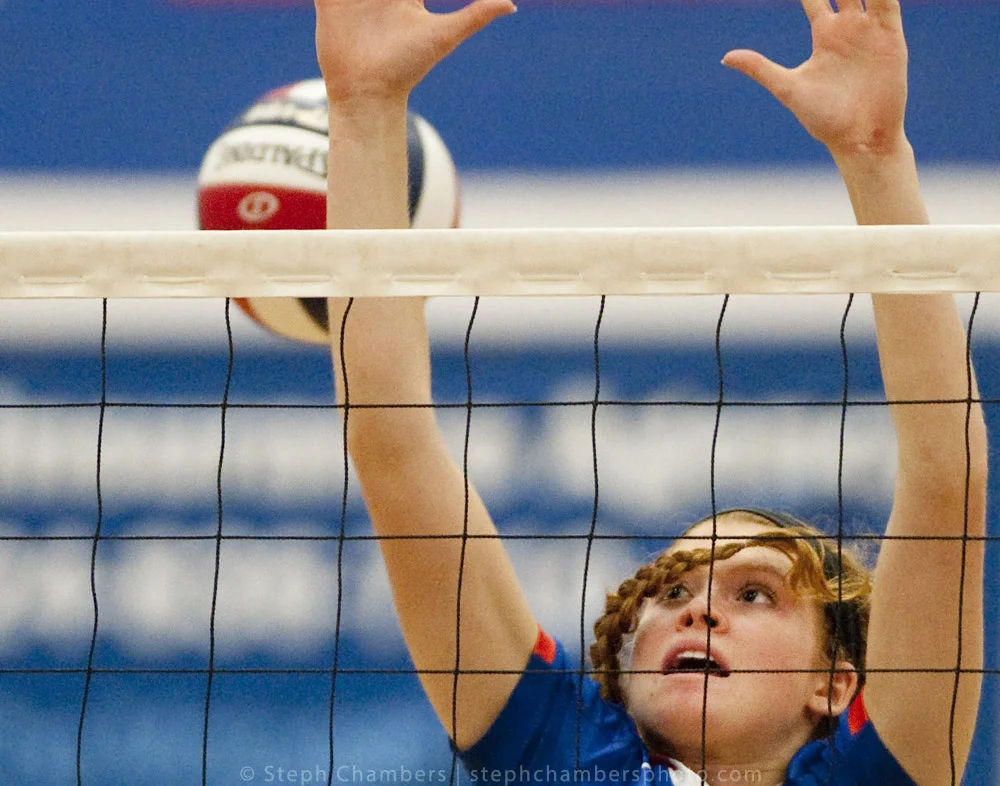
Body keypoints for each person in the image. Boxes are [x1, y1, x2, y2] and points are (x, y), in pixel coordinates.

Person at [313, 0, 987, 784]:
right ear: (624, 667)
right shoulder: (559, 754)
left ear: (833, 685)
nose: (698, 610)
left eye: (757, 595)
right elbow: (390, 439)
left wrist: (877, 160)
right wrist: (362, 108)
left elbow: (949, 477)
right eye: (669, 590)